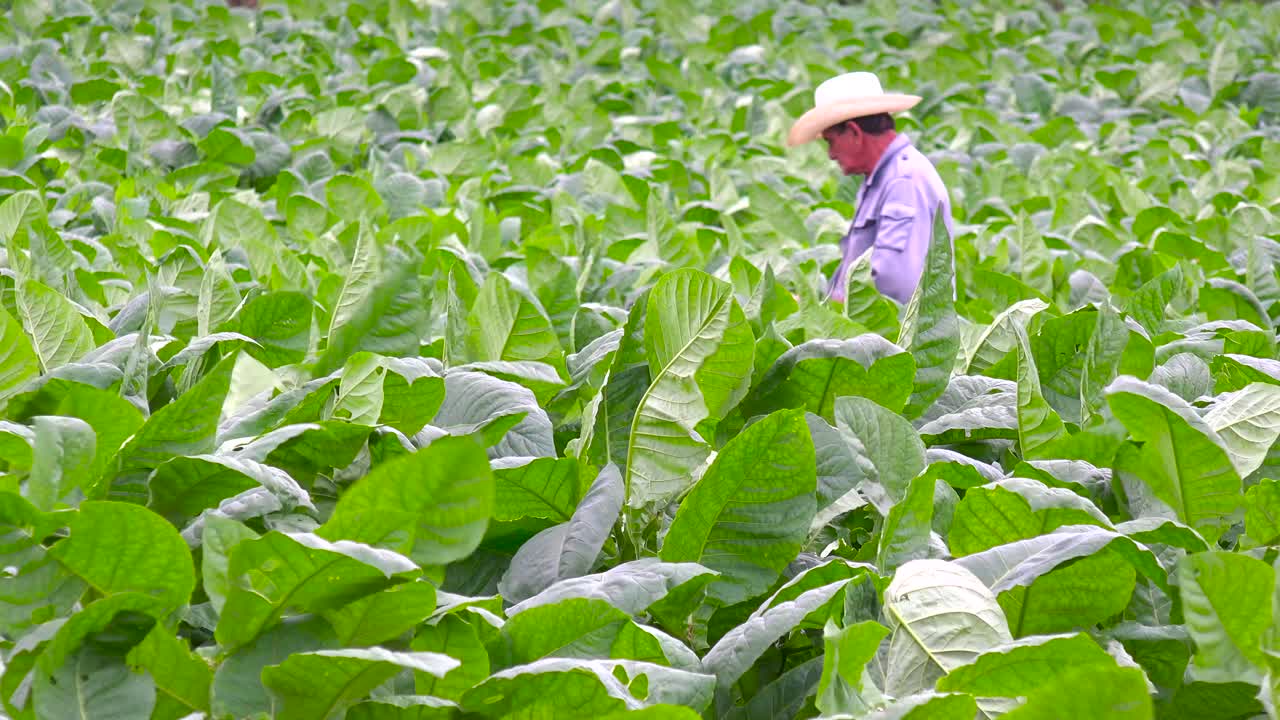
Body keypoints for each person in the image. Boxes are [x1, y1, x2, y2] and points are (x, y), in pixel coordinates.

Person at [787, 71, 953, 305]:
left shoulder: (903, 182)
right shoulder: (882, 177)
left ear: (854, 133)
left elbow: (894, 286)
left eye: (831, 141)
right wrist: (814, 306)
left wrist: (818, 310)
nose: (831, 154)